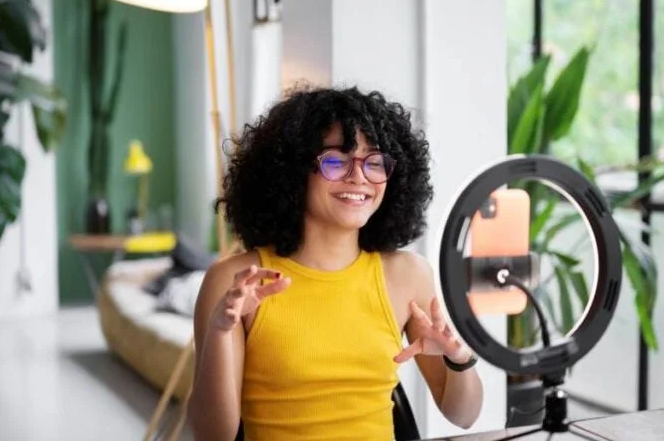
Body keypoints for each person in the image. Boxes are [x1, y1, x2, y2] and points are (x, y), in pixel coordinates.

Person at [188, 85, 483, 440]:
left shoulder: (407, 275)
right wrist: (221, 330)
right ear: (294, 172)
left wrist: (458, 357)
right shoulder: (233, 281)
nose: (359, 176)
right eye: (336, 160)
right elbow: (211, 435)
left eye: (374, 162)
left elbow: (463, 416)